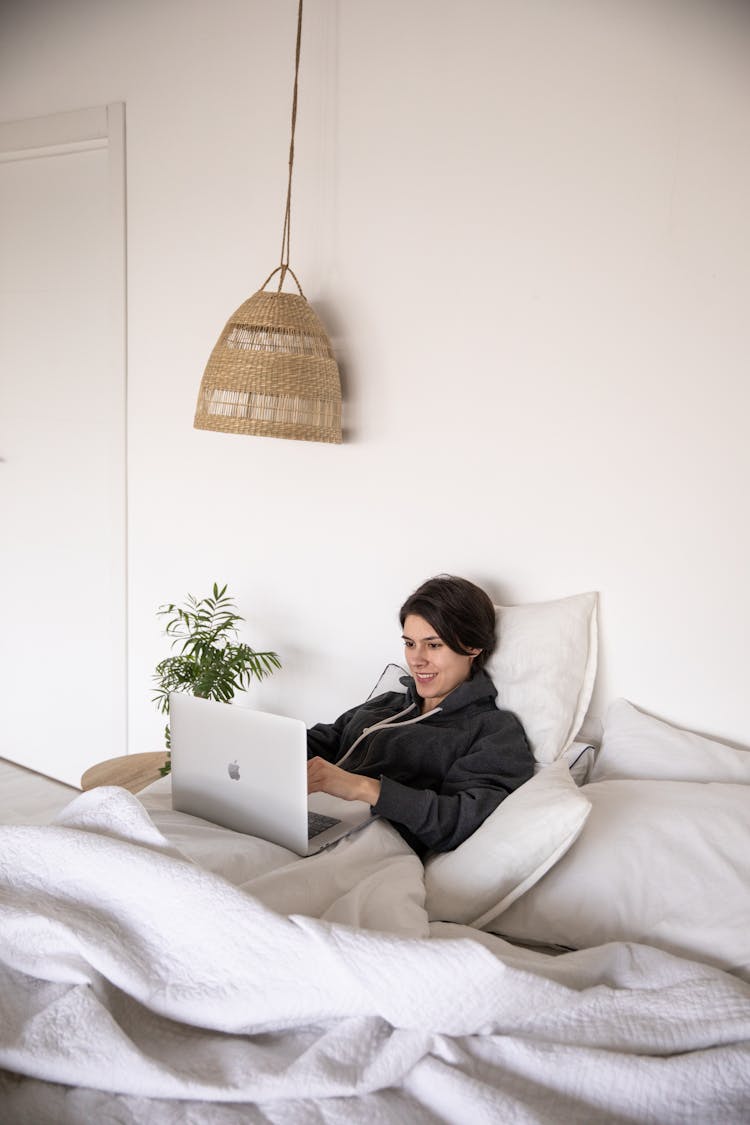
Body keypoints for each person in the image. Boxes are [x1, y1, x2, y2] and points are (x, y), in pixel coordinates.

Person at [306, 575, 534, 856]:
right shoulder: (389, 704)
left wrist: (361, 787)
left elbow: (458, 821)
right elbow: (324, 740)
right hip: (312, 817)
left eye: (434, 645)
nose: (416, 659)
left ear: (474, 647)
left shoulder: (493, 730)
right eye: (410, 643)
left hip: (372, 847)